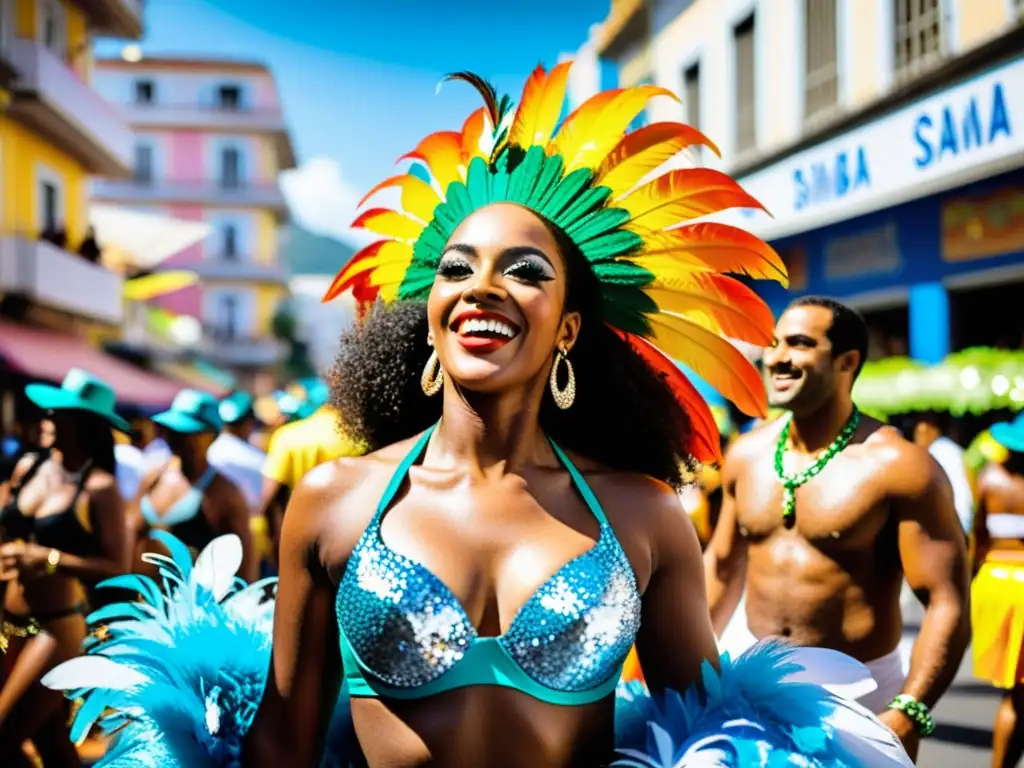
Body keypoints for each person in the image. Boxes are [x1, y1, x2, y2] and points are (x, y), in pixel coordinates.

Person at [43, 66, 911, 768]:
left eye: (526, 271)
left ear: (569, 327)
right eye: (458, 268)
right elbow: (284, 741)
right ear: (429, 312)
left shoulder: (643, 515)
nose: (484, 286)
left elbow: (711, 734)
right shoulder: (336, 502)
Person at [707, 296, 970, 761]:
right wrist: (682, 671)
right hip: (752, 682)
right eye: (773, 344)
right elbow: (723, 568)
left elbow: (947, 601)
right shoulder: (747, 453)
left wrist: (909, 710)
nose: (777, 357)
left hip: (861, 695)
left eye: (800, 344)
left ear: (847, 361)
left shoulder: (900, 466)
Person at [0, 369, 130, 766]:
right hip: (10, 623)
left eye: (61, 414)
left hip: (57, 631)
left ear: (86, 425)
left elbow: (117, 566)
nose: (48, 418)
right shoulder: (30, 467)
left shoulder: (101, 488)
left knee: (4, 738)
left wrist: (49, 559)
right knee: (50, 743)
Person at [128, 390, 257, 582]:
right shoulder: (153, 478)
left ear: (212, 436)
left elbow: (246, 564)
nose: (177, 437)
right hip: (144, 604)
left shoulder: (224, 493)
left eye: (188, 432)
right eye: (172, 429)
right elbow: (130, 535)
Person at [256, 383, 361, 567]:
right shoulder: (362, 438)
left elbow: (268, 498)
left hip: (296, 542)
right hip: (348, 545)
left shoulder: (288, 436)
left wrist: (275, 545)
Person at [971, 413, 1024, 768]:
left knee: (1015, 693)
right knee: (1017, 697)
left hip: (992, 581)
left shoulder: (988, 478)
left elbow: (977, 541)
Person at [913, 410, 974, 535]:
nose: (917, 436)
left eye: (921, 431)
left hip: (949, 530)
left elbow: (961, 498)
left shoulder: (941, 452)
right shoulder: (946, 450)